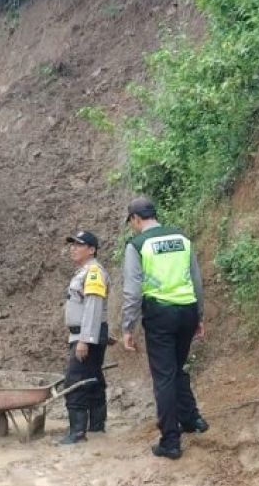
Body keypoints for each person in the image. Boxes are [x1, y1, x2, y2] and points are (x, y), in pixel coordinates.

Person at [121, 196, 208, 460]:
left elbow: (133, 291)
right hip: (187, 311)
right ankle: (192, 420)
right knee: (176, 368)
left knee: (164, 377)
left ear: (136, 219)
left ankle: (171, 441)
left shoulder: (137, 245)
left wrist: (128, 326)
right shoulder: (182, 239)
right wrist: (199, 316)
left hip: (161, 315)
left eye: (132, 222)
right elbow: (196, 279)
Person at [60, 230, 110, 444]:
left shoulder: (93, 272)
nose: (74, 248)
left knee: (76, 381)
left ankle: (77, 432)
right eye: (72, 244)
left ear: (92, 250)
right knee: (92, 378)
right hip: (89, 333)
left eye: (79, 245)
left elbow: (92, 306)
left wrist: (85, 339)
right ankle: (97, 425)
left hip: (85, 335)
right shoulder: (85, 272)